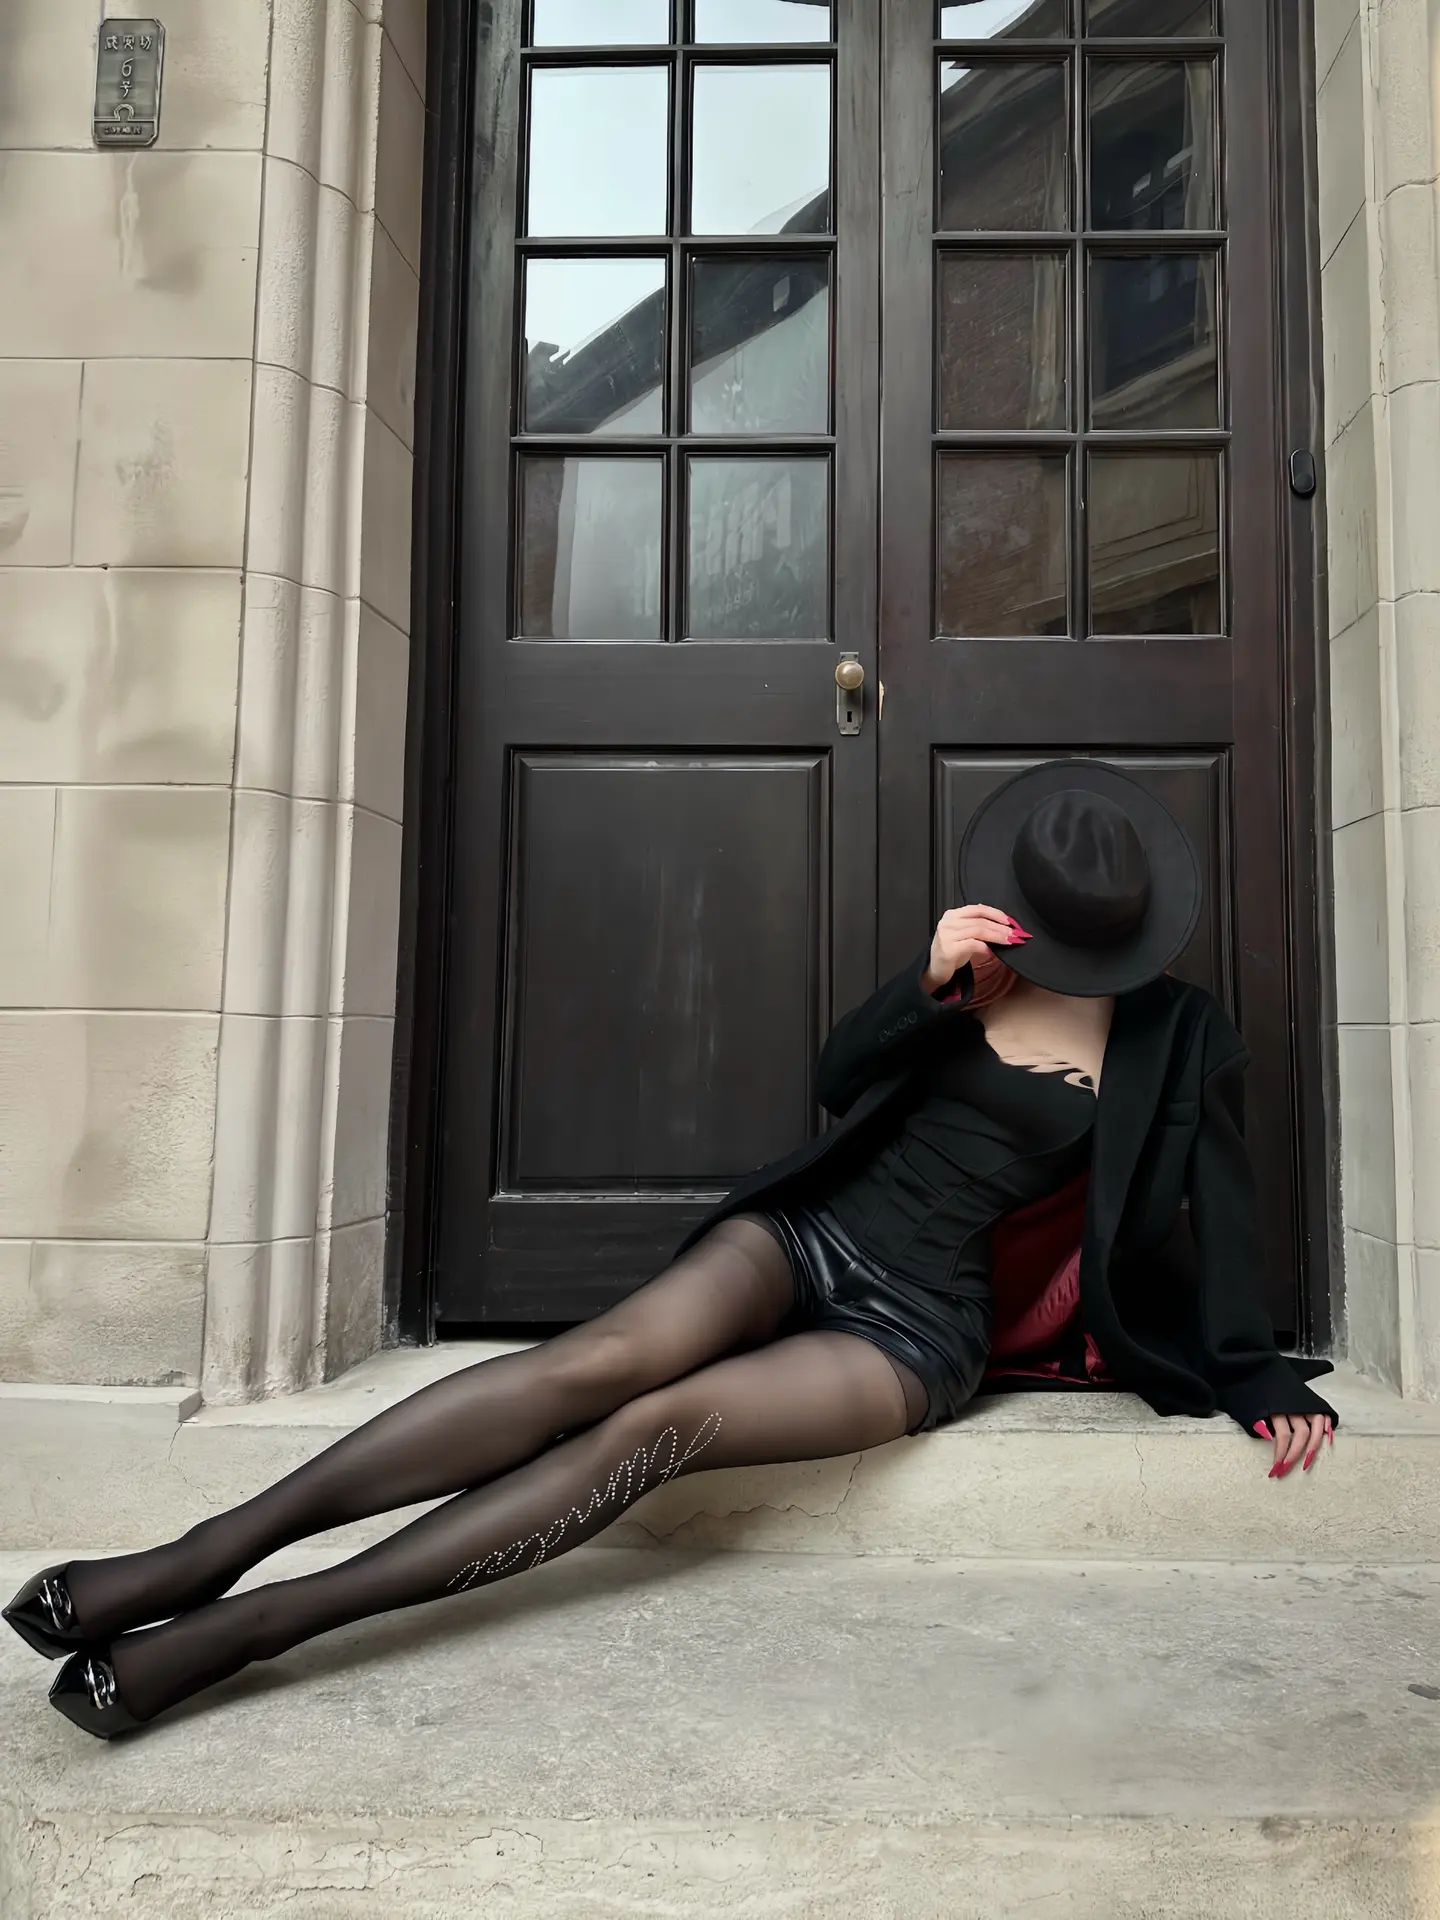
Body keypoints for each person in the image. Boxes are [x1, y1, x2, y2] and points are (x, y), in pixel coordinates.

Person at [5, 760, 1337, 1739]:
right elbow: (838, 1083)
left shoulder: (1183, 1036)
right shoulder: (974, 968)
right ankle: (200, 1558)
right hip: (813, 1233)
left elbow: (1216, 1210)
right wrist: (927, 987)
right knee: (596, 1363)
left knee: (657, 1427)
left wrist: (1252, 1368)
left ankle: (256, 1627)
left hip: (918, 1328)